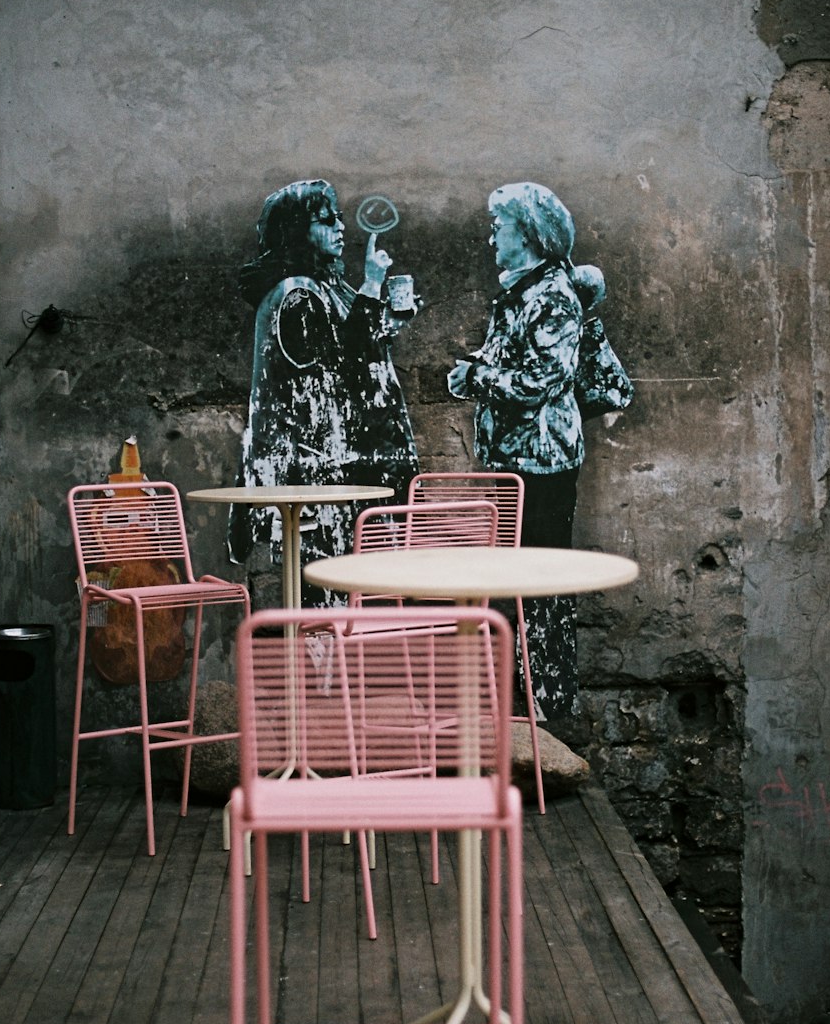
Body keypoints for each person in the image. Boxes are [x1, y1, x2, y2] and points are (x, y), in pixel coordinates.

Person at [448, 181, 632, 724]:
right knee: (521, 583)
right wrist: (474, 371)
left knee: (544, 586)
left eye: (497, 227)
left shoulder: (550, 296)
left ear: (526, 234)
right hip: (515, 464)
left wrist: (478, 376)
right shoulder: (521, 292)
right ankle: (525, 705)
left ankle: (547, 708)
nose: (490, 238)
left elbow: (541, 380)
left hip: (542, 466)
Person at [231, 179, 420, 594]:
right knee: (329, 603)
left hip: (343, 473)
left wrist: (389, 320)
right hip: (321, 482)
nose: (340, 227)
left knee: (355, 598)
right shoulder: (296, 294)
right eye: (325, 219)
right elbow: (343, 365)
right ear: (297, 231)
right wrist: (371, 284)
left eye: (338, 217)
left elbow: (353, 342)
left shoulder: (324, 287)